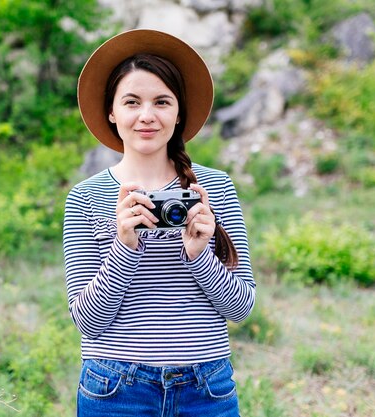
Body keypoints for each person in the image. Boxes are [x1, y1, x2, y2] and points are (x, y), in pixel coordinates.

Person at [63, 29, 256, 416]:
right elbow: (86, 321)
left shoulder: (213, 187)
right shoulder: (85, 198)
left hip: (207, 388)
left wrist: (200, 254)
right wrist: (125, 247)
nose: (147, 116)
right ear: (112, 112)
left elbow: (241, 308)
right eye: (132, 102)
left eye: (162, 102)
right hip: (116, 388)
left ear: (179, 111)